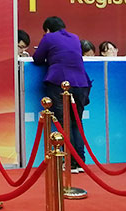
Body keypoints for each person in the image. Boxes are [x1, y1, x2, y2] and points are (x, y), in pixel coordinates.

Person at [32, 16, 91, 173]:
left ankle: (70, 163)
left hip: (59, 82)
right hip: (81, 84)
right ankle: (80, 162)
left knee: (64, 122)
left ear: (47, 29)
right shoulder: (75, 37)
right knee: (76, 122)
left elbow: (37, 59)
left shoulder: (49, 37)